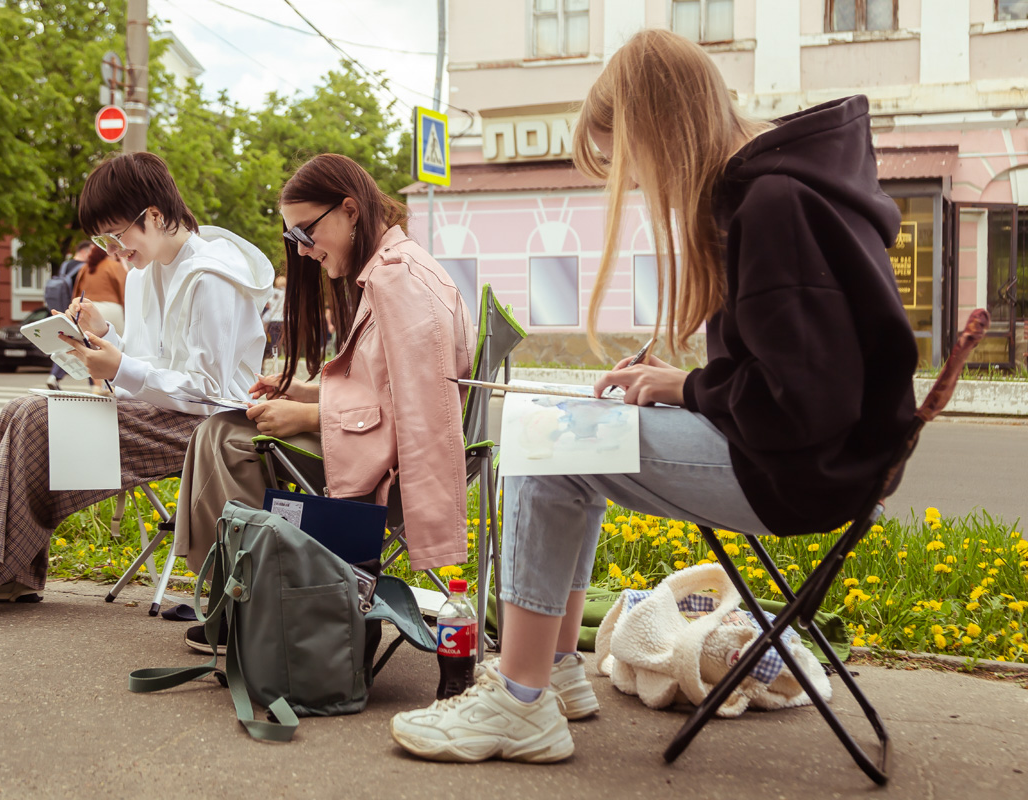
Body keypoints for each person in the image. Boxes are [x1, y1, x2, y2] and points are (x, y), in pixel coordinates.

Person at [390, 29, 918, 763]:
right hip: (824, 461)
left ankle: (518, 700)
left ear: (661, 133)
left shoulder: (772, 203)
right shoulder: (781, 187)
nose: (632, 182)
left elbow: (800, 402)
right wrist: (682, 385)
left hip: (802, 474)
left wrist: (696, 390)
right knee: (572, 432)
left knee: (545, 450)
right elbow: (799, 376)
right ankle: (559, 671)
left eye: (627, 160)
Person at [0, 151, 274, 617]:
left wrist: (117, 367)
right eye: (105, 239)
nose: (115, 251)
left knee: (40, 418)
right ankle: (10, 574)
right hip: (169, 415)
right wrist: (107, 338)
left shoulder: (212, 277)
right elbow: (152, 364)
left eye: (117, 234)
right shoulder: (147, 271)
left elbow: (209, 390)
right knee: (22, 408)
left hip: (214, 427)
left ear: (156, 216)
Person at [172, 153, 475, 650]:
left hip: (396, 468)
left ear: (350, 211)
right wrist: (302, 390)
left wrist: (308, 415)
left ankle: (261, 608)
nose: (304, 250)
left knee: (228, 439)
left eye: (306, 233)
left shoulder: (397, 278)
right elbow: (385, 385)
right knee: (221, 429)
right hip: (379, 444)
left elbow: (422, 410)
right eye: (293, 239)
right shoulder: (394, 269)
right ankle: (246, 604)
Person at [71, 244, 129, 394]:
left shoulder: (84, 269)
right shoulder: (114, 266)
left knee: (92, 347)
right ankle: (116, 385)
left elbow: (76, 292)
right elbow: (126, 289)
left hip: (88, 309)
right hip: (111, 309)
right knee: (116, 347)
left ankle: (98, 385)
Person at [45, 240, 91, 390]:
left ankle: (54, 376)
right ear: (84, 252)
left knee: (68, 344)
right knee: (86, 344)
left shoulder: (65, 265)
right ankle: (95, 384)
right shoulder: (84, 268)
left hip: (61, 309)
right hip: (75, 310)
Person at [261, 274, 286, 360]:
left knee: (275, 341)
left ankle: (275, 358)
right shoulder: (288, 293)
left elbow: (267, 304)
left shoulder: (272, 292)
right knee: (286, 342)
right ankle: (288, 357)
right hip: (285, 320)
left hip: (274, 320)